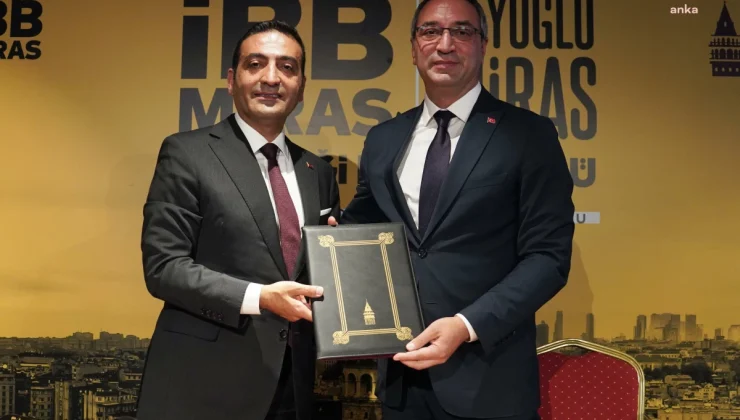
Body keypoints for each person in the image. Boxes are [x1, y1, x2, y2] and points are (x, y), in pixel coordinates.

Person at [340, 0, 575, 419]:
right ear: (414, 47)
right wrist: (330, 240)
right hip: (400, 378)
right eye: (430, 31)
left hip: (489, 380)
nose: (445, 44)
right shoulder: (383, 139)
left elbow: (548, 258)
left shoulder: (530, 134)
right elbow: (364, 227)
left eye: (462, 32)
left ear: (483, 45)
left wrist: (467, 326)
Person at [136, 20, 340, 420]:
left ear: (301, 86)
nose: (271, 78)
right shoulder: (187, 154)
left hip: (292, 388)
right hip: (202, 386)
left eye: (287, 67)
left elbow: (315, 275)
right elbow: (163, 267)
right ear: (232, 80)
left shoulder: (318, 172)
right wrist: (259, 297)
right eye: (256, 64)